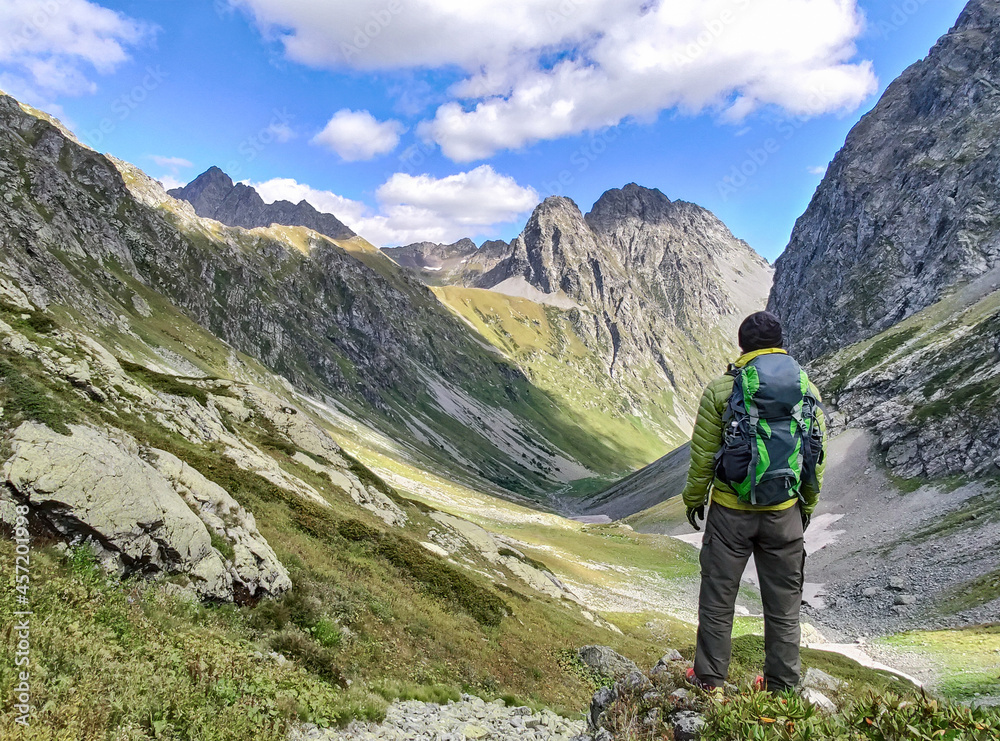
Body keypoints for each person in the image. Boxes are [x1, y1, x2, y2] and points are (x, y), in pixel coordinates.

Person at [681, 311, 826, 693]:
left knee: (718, 599)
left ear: (742, 346)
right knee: (783, 608)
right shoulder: (806, 389)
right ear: (781, 344)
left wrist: (695, 499)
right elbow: (814, 453)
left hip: (730, 513)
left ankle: (709, 681)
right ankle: (782, 689)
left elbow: (703, 456)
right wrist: (806, 504)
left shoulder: (721, 390)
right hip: (784, 514)